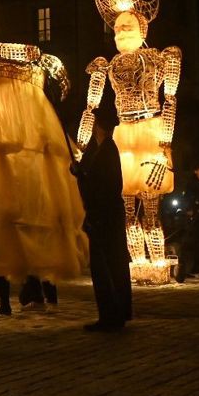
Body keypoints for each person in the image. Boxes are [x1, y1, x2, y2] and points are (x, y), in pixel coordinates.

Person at [73, 109, 132, 331]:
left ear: (99, 126)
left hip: (104, 217)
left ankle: (111, 315)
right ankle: (117, 311)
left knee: (105, 267)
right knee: (112, 264)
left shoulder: (107, 151)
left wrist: (81, 177)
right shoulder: (105, 150)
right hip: (107, 215)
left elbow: (101, 187)